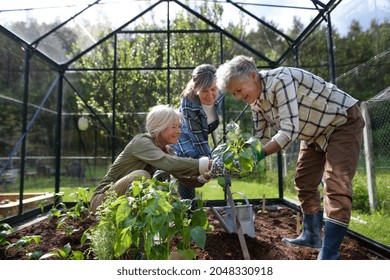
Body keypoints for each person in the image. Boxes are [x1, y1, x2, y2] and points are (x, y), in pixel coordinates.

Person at [215, 55, 365, 260]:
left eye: (239, 90)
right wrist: (242, 158)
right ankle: (312, 235)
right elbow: (260, 139)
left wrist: (256, 156)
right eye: (234, 94)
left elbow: (288, 133)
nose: (239, 97)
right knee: (304, 181)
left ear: (252, 76)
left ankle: (330, 253)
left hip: (341, 122)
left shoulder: (281, 80)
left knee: (336, 182)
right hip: (313, 133)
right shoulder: (256, 101)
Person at [90, 104, 212, 213]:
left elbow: (183, 178)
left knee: (171, 196)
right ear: (160, 126)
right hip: (102, 201)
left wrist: (203, 177)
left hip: (123, 199)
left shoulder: (166, 150)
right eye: (174, 127)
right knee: (141, 176)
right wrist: (207, 163)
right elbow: (169, 163)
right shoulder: (141, 142)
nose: (179, 131)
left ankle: (172, 232)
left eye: (179, 127)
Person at [171, 64, 224, 201]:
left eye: (213, 89)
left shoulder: (220, 92)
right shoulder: (188, 104)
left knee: (204, 165)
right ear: (195, 89)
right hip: (185, 137)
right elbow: (198, 139)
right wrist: (212, 164)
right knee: (189, 171)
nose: (211, 95)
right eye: (204, 91)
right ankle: (187, 210)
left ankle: (190, 208)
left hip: (205, 129)